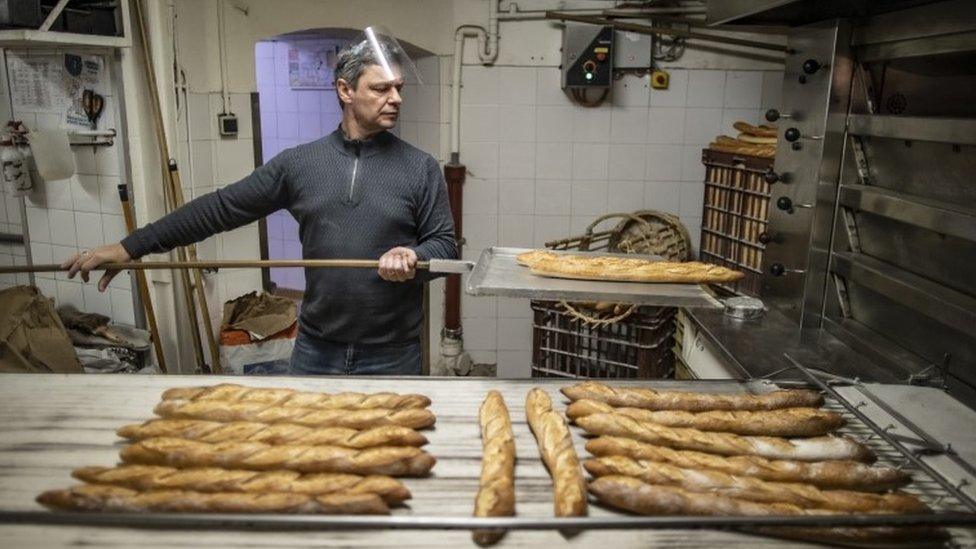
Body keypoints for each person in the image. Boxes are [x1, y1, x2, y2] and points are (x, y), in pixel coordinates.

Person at [61, 30, 457, 376]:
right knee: (305, 457)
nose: (395, 99)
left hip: (393, 353)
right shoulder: (299, 165)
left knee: (391, 459)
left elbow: (444, 245)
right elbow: (219, 209)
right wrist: (131, 247)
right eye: (381, 88)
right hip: (316, 350)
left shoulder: (419, 168)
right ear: (345, 90)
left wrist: (413, 257)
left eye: (399, 88)